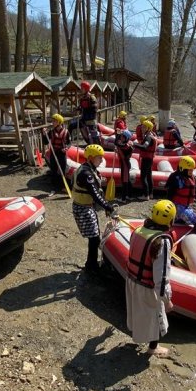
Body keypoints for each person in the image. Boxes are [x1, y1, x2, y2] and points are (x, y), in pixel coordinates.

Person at [126, 199, 177, 356]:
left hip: (132, 281)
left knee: (138, 312)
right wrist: (167, 299)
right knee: (156, 317)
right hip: (147, 287)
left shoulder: (140, 230)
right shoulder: (162, 242)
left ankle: (138, 336)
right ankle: (153, 349)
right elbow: (161, 276)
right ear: (170, 220)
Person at [71, 143, 118, 273]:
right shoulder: (86, 173)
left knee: (95, 236)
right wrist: (107, 206)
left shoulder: (89, 169)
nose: (102, 160)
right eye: (99, 157)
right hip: (82, 208)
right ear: (91, 158)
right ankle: (91, 266)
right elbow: (95, 194)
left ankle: (91, 264)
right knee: (94, 238)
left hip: (87, 206)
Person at [133, 120, 157, 200]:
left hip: (147, 159)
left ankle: (145, 195)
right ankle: (151, 194)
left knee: (143, 177)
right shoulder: (151, 134)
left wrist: (134, 144)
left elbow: (144, 147)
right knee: (149, 176)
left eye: (144, 127)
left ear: (148, 128)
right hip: (149, 158)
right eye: (142, 126)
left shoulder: (148, 137)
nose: (142, 128)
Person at [47, 114, 70, 190]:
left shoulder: (66, 132)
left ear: (59, 122)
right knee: (53, 169)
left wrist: (66, 148)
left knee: (62, 170)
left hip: (62, 153)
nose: (52, 122)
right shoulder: (51, 131)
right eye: (52, 121)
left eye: (54, 121)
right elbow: (45, 141)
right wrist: (44, 135)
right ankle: (54, 186)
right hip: (54, 153)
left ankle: (62, 185)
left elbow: (69, 143)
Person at [78, 81, 100, 145]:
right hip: (84, 118)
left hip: (91, 119)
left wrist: (87, 107)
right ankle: (89, 143)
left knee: (94, 134)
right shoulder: (82, 98)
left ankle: (97, 146)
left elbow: (95, 108)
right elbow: (81, 107)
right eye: (81, 88)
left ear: (86, 89)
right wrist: (78, 108)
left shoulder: (91, 97)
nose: (81, 90)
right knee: (80, 127)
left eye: (82, 88)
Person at [115, 129, 133, 203]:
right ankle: (129, 195)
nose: (121, 137)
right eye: (121, 136)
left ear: (126, 138)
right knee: (127, 180)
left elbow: (117, 143)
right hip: (125, 164)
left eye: (122, 136)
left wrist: (118, 150)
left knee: (124, 181)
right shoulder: (125, 143)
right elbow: (118, 143)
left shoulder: (126, 145)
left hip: (125, 165)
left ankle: (123, 199)